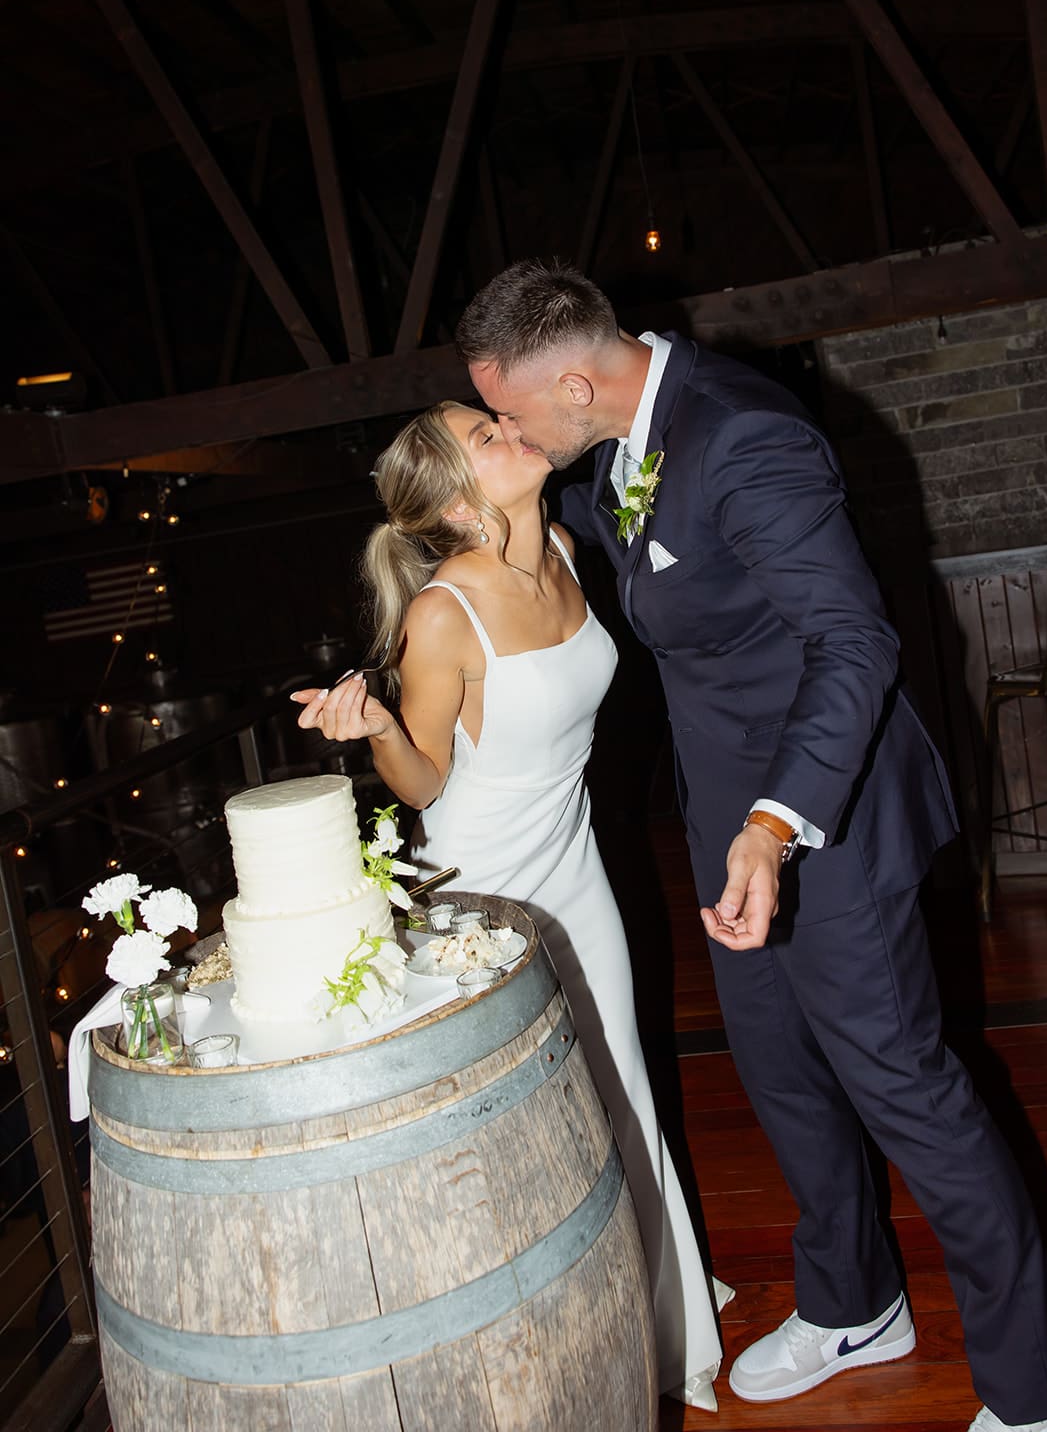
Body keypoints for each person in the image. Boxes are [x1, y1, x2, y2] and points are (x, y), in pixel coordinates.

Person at [455, 258, 1047, 1432]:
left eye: (512, 412)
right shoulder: (616, 449)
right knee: (781, 1069)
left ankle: (1036, 1389)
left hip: (820, 820)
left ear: (575, 384)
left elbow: (852, 642)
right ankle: (853, 1303)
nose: (506, 432)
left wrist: (773, 824)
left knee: (909, 1091)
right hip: (725, 827)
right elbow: (552, 554)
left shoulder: (741, 435)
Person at [291, 400, 729, 1411]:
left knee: (622, 1083)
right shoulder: (443, 613)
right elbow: (426, 782)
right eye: (483, 435)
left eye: (492, 417)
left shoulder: (566, 546)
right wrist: (376, 732)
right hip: (488, 887)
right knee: (539, 1119)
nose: (507, 427)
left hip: (574, 866)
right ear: (453, 497)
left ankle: (659, 1319)